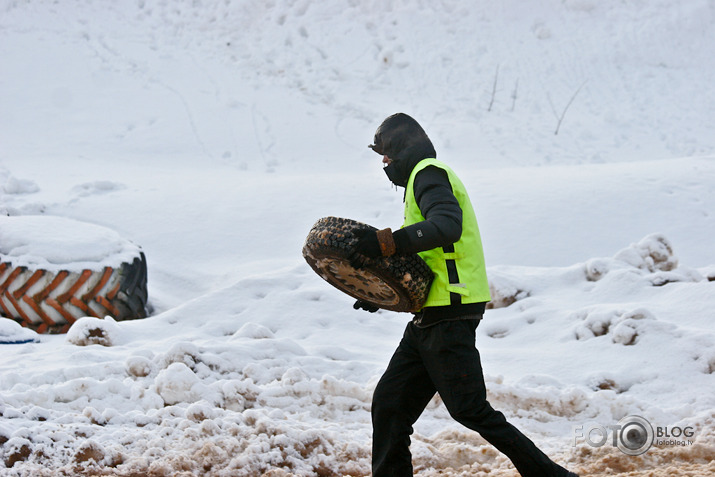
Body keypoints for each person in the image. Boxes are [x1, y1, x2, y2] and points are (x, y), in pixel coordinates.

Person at [348, 113, 579, 477]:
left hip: (450, 311)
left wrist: (386, 243)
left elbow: (446, 226)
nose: (383, 163)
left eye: (386, 155)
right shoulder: (420, 181)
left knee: (469, 409)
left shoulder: (428, 174)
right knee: (390, 404)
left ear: (401, 149)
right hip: (431, 313)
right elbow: (426, 256)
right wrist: (383, 290)